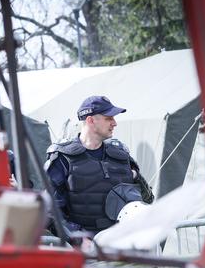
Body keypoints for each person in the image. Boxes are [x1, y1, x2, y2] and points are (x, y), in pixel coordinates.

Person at [44, 95, 151, 237]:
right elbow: (51, 211)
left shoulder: (121, 154)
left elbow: (147, 199)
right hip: (85, 250)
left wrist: (136, 177)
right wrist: (78, 239)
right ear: (90, 120)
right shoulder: (62, 158)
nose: (114, 123)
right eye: (109, 118)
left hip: (124, 243)